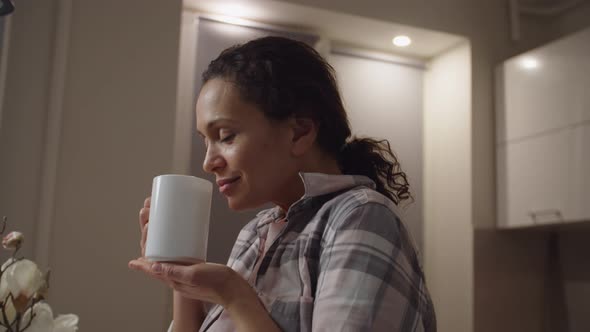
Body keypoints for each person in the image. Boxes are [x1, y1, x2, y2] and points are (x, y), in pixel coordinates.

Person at [129, 36, 436, 332]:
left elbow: (237, 301)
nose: (209, 162)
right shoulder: (256, 233)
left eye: (225, 136)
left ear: (300, 132)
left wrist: (234, 294)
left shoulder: (361, 217)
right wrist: (180, 270)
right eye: (205, 141)